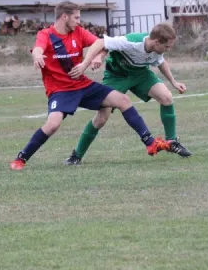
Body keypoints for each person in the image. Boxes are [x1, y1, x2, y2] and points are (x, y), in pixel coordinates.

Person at [9, 1, 171, 171]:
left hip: (82, 85)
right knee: (52, 125)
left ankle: (150, 143)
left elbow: (102, 44)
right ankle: (22, 158)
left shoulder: (78, 32)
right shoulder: (46, 34)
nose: (79, 21)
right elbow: (38, 49)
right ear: (65, 17)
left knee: (123, 100)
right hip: (60, 91)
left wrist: (98, 57)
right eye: (76, 17)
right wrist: (37, 56)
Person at [64, 22, 192, 165]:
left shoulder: (157, 50)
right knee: (102, 117)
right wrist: (88, 62)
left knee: (166, 97)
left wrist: (173, 82)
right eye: (167, 46)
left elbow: (161, 63)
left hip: (140, 74)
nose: (168, 49)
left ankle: (171, 142)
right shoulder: (130, 42)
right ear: (156, 42)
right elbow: (101, 42)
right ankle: (77, 155)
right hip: (116, 76)